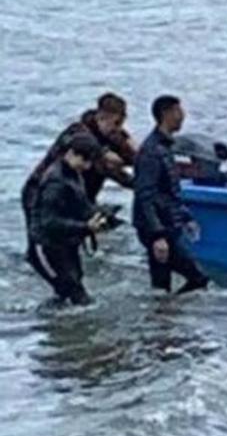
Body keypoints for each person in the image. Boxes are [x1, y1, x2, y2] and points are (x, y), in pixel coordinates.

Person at [21, 93, 137, 234]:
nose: (119, 129)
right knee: (43, 240)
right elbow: (91, 152)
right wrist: (102, 153)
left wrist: (137, 154)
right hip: (41, 193)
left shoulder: (114, 136)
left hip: (78, 198)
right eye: (116, 123)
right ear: (101, 117)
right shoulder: (77, 132)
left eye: (122, 123)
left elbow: (128, 161)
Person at [133, 95, 210, 295]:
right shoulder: (151, 151)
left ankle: (163, 320)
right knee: (198, 278)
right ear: (166, 114)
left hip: (167, 223)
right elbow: (145, 195)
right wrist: (157, 236)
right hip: (157, 228)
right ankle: (166, 315)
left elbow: (169, 192)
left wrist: (186, 217)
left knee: (160, 286)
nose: (183, 115)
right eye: (179, 111)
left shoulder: (166, 147)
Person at [26, 135, 110, 306]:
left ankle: (58, 327)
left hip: (65, 244)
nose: (87, 166)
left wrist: (99, 216)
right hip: (45, 245)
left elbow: (80, 205)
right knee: (74, 293)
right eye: (84, 160)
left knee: (72, 288)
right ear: (71, 153)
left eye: (90, 162)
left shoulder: (74, 175)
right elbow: (48, 222)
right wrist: (85, 227)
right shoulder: (55, 181)